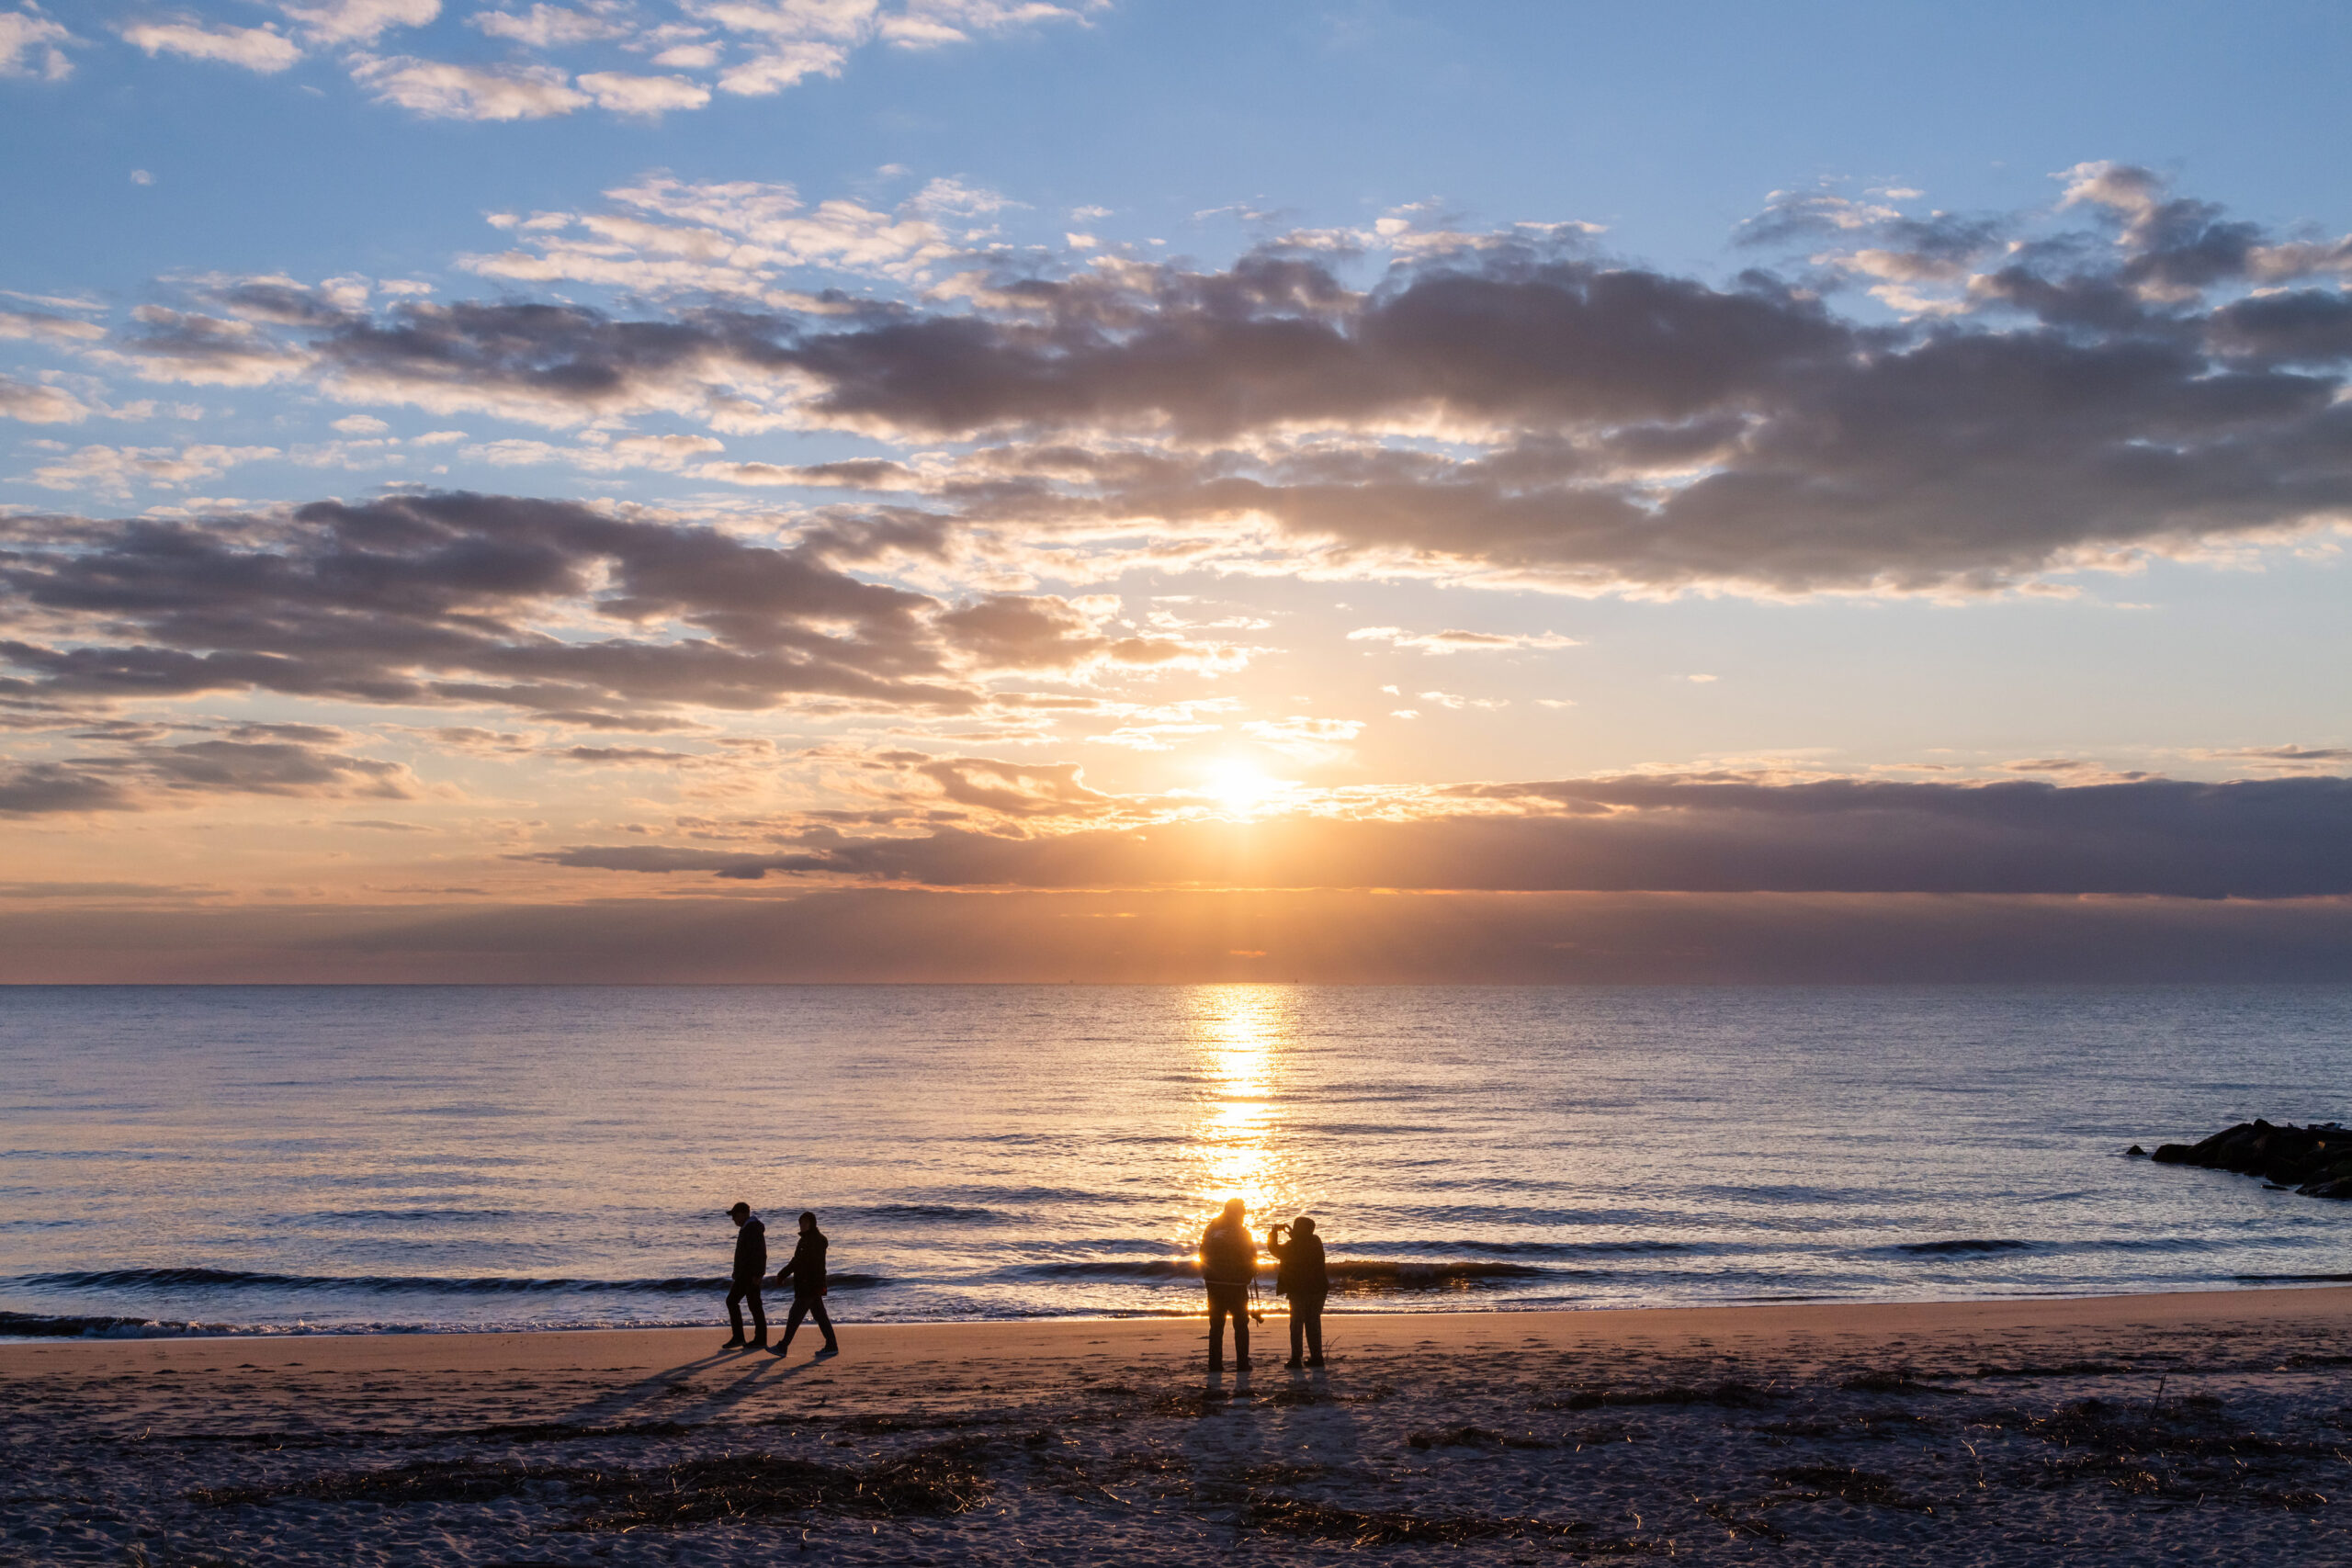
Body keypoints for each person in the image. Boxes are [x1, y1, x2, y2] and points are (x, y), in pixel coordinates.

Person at [1198, 1197, 1257, 1371]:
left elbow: (1202, 1252)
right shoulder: (1242, 1232)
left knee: (1216, 1326)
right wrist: (1249, 1275)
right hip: (1236, 1285)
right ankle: (1242, 1363)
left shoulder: (1211, 1229)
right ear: (1236, 1212)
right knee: (1240, 1325)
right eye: (1242, 1211)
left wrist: (1207, 1274)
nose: (1244, 1214)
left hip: (1214, 1283)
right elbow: (1252, 1256)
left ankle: (1215, 1364)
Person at [772, 1210, 839, 1358]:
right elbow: (798, 1261)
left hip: (809, 1285)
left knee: (794, 1315)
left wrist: (782, 1274)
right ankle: (832, 1345)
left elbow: (800, 1262)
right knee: (820, 1316)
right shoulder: (808, 1240)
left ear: (812, 1224)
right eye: (800, 1222)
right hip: (811, 1285)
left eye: (804, 1222)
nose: (801, 1225)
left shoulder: (814, 1241)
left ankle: (783, 1346)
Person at [1267, 1215, 1328, 1369]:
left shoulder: (1293, 1245)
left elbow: (1275, 1250)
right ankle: (1317, 1357)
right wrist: (1290, 1232)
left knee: (1296, 1324)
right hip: (1319, 1289)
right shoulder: (1316, 1241)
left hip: (1299, 1290)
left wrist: (1273, 1233)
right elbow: (1299, 1241)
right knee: (1313, 1322)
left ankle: (1296, 1358)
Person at [721, 1201, 767, 1350]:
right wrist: (737, 1270)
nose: (733, 1219)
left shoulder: (752, 1229)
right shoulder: (748, 1228)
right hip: (744, 1274)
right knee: (746, 1304)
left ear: (742, 1214)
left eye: (734, 1215)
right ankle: (743, 1337)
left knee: (747, 1304)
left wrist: (759, 1274)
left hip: (750, 1274)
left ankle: (752, 1338)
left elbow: (760, 1254)